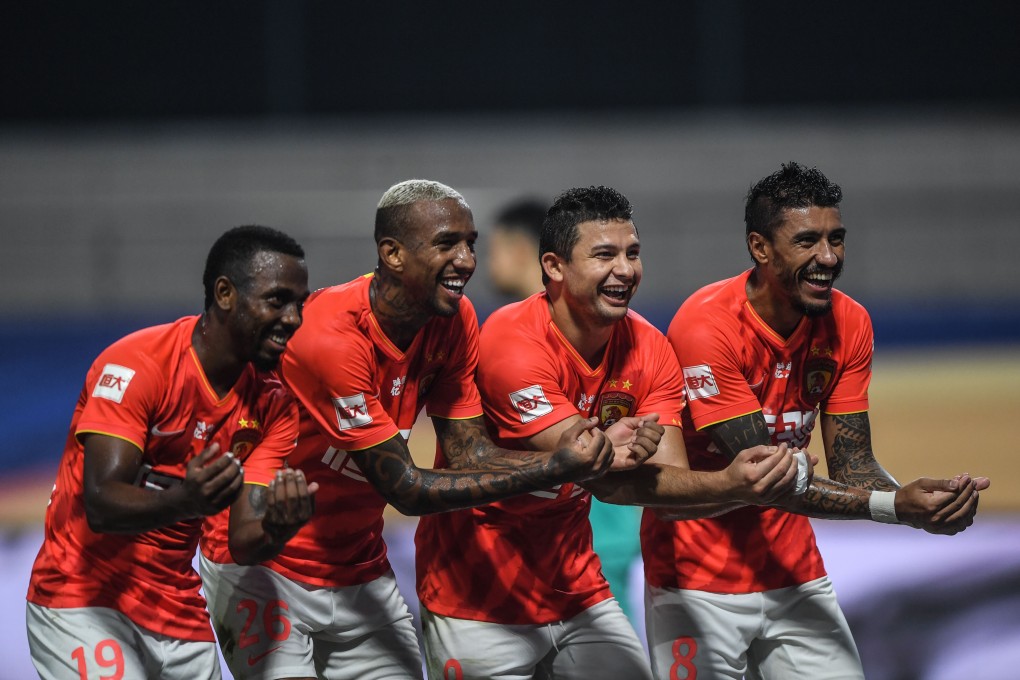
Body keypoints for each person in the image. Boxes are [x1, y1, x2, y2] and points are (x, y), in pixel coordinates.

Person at [199, 179, 617, 680]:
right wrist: (557, 466)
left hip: (357, 565)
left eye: (470, 243)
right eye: (446, 244)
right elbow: (408, 490)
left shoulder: (455, 320)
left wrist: (583, 460)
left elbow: (470, 455)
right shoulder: (332, 338)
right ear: (392, 254)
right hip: (265, 563)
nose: (466, 259)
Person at [415, 185, 808, 680]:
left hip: (577, 589)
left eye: (633, 253)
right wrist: (615, 450)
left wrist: (728, 483)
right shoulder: (508, 339)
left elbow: (668, 483)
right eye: (605, 254)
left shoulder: (651, 347)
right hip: (474, 596)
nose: (625, 269)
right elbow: (584, 459)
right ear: (554, 267)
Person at [647, 161, 991, 679]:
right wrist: (896, 507)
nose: (828, 258)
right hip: (695, 581)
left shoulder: (849, 321)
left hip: (794, 571)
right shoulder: (706, 325)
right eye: (807, 241)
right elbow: (765, 478)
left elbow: (853, 464)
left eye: (837, 239)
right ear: (760, 248)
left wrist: (922, 503)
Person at [26, 225, 311, 680]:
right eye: (278, 301)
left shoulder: (274, 404)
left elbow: (243, 541)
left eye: (301, 304)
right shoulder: (139, 364)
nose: (294, 318)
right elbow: (101, 502)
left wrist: (277, 528)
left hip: (178, 610)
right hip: (82, 600)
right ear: (224, 293)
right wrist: (186, 501)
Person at [486, 195, 646, 623]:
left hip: (589, 539)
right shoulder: (572, 322)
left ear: (521, 250)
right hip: (593, 534)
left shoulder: (567, 326)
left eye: (491, 248)